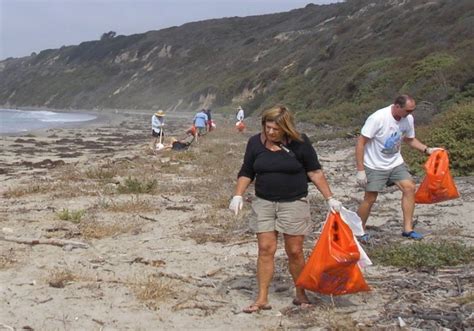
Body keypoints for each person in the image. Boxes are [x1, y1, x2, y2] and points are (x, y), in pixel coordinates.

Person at [229, 105, 342, 313]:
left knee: (295, 251)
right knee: (265, 249)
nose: (271, 132)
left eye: (276, 129)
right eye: (267, 127)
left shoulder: (300, 142)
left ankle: (300, 293)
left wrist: (330, 198)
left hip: (294, 203)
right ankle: (262, 297)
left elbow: (315, 172)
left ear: (286, 127)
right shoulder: (255, 142)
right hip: (263, 203)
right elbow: (247, 171)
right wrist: (238, 194)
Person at [355, 95, 443, 242]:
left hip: (395, 162)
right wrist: (360, 170)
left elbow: (409, 139)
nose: (410, 114)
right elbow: (360, 143)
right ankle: (358, 230)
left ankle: (408, 229)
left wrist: (427, 150)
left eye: (412, 111)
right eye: (407, 110)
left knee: (409, 187)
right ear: (397, 106)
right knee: (370, 198)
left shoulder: (408, 119)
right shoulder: (377, 118)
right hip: (374, 165)